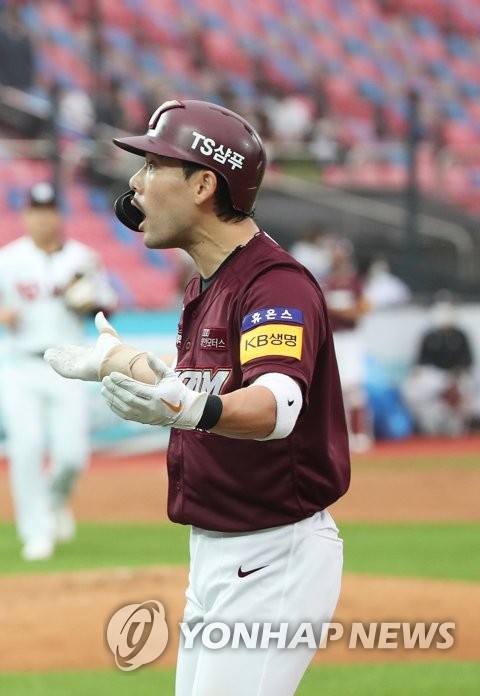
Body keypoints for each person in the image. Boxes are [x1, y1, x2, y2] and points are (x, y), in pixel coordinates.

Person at [45, 99, 350, 695]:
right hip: (220, 554)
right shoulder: (209, 284)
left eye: (154, 166)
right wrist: (122, 361)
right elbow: (199, 388)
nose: (135, 184)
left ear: (205, 183)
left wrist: (189, 409)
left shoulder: (274, 284)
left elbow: (276, 405)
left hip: (271, 555)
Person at [0, 182, 118, 561]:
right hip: (21, 365)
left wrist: (88, 301)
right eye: (36, 211)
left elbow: (107, 304)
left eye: (49, 211)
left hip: (70, 367)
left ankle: (55, 501)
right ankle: (36, 532)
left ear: (59, 216)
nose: (43, 218)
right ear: (27, 216)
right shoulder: (7, 260)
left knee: (72, 456)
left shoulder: (84, 259)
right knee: (26, 449)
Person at [321, 238, 373, 452]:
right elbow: (323, 310)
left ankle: (361, 434)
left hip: (351, 339)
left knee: (354, 389)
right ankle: (344, 436)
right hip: (334, 338)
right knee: (336, 389)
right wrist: (341, 311)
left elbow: (361, 311)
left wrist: (339, 311)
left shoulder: (356, 283)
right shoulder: (325, 282)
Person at [402, 291, 477, 436]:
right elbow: (421, 362)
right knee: (412, 388)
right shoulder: (429, 336)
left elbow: (468, 361)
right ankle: (427, 424)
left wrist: (455, 377)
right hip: (435, 377)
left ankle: (461, 423)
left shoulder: (460, 335)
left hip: (457, 376)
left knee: (465, 392)